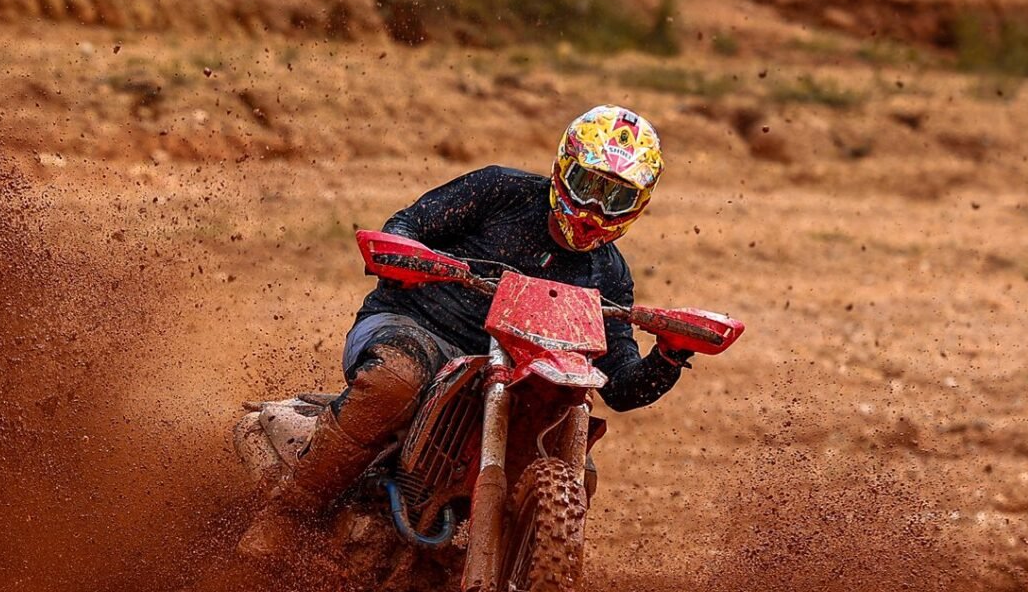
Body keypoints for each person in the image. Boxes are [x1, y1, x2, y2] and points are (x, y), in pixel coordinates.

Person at [242, 105, 695, 551]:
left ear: (639, 204)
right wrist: (409, 259)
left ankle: (515, 587)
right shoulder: (501, 191)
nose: (594, 208)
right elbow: (408, 224)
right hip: (416, 326)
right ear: (563, 168)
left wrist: (669, 355)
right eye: (587, 185)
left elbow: (619, 384)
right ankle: (289, 513)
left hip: (520, 379)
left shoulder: (610, 274)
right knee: (394, 383)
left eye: (615, 197)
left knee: (578, 468)